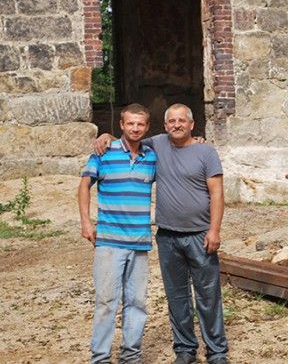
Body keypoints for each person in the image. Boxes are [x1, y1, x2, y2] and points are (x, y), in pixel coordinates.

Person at [95, 103, 228, 364]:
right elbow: (129, 138)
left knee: (208, 294)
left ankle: (217, 351)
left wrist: (214, 230)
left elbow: (217, 193)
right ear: (165, 125)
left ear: (192, 124)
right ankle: (185, 349)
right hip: (167, 236)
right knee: (177, 296)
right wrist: (106, 136)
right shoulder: (156, 145)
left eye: (182, 120)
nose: (177, 125)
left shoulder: (206, 151)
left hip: (200, 234)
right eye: (172, 121)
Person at [79, 103, 157, 364]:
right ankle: (100, 357)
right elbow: (84, 185)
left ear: (147, 127)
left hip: (140, 243)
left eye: (140, 124)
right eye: (130, 123)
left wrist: (198, 141)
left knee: (137, 302)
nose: (135, 128)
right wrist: (86, 222)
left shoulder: (152, 157)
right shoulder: (104, 153)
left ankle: (130, 356)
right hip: (109, 242)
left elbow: (176, 150)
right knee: (106, 302)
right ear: (121, 125)